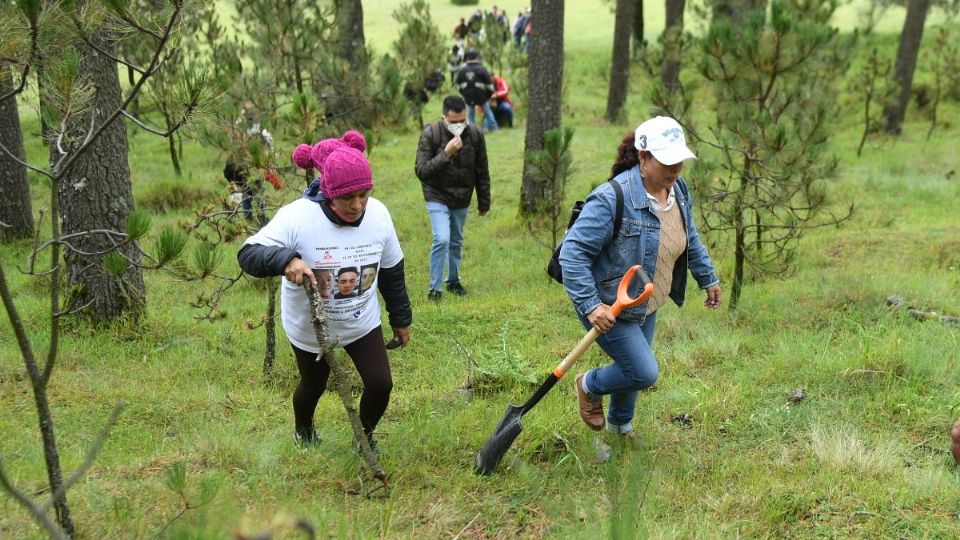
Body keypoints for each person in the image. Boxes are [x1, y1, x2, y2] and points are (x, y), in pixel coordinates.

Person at [238, 131, 412, 452]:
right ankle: (303, 432)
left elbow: (391, 269)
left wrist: (400, 318)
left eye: (364, 195)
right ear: (330, 192)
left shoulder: (379, 215)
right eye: (348, 198)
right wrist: (285, 259)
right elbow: (248, 254)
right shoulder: (298, 217)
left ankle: (364, 438)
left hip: (361, 322)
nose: (357, 205)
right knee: (313, 386)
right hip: (311, 328)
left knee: (380, 384)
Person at [558, 116, 722, 436]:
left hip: (647, 296)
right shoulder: (610, 199)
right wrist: (592, 306)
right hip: (610, 304)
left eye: (680, 160)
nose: (676, 169)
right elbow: (572, 254)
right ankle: (588, 385)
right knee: (643, 372)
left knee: (631, 367)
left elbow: (690, 236)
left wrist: (708, 277)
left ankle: (621, 427)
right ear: (643, 157)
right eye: (667, 161)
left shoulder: (677, 189)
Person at [414, 95, 491, 302]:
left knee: (456, 240)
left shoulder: (474, 134)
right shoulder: (431, 134)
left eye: (462, 121)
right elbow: (421, 171)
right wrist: (446, 153)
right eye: (453, 122)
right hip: (436, 194)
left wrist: (484, 202)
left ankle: (453, 281)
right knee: (442, 238)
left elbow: (482, 170)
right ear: (444, 117)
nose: (458, 125)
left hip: (462, 196)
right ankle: (435, 289)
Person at [455, 50, 497, 133]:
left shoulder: (462, 70)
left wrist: (464, 93)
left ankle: (473, 132)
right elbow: (490, 86)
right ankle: (495, 128)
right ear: (477, 58)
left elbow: (458, 86)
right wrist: (488, 96)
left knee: (470, 116)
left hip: (468, 96)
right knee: (488, 113)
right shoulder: (482, 68)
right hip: (481, 96)